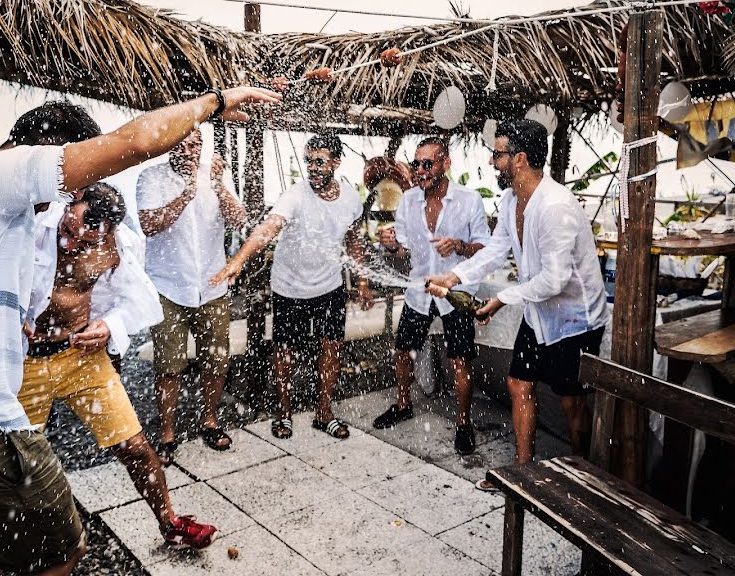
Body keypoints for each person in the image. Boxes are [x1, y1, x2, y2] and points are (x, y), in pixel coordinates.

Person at [0, 86, 280, 575]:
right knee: (62, 549)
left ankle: (166, 518)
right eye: (69, 192)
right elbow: (139, 140)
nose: (62, 208)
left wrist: (100, 326)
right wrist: (214, 102)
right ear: (48, 155)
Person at [22, 182, 216, 549]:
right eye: (70, 230)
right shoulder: (30, 226)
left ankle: (170, 523)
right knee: (15, 462)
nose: (75, 242)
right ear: (72, 201)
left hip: (81, 358)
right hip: (26, 363)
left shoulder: (116, 245)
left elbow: (140, 300)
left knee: (135, 446)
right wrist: (8, 315)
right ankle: (3, 551)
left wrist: (108, 324)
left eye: (88, 239)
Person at [426, 120, 608, 490]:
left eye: (497, 154)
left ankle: (587, 477)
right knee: (518, 383)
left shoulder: (556, 206)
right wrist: (454, 278)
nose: (492, 162)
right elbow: (495, 251)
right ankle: (522, 472)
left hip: (574, 319)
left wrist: (502, 299)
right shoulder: (511, 201)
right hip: (539, 311)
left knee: (571, 401)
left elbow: (556, 280)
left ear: (520, 159)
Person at [210, 133, 374, 440]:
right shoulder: (296, 195)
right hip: (289, 287)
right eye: (308, 161)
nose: (312, 168)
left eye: (319, 162)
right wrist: (239, 260)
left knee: (332, 349)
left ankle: (323, 413)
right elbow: (268, 228)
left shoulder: (350, 197)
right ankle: (283, 413)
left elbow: (353, 238)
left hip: (329, 286)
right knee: (284, 352)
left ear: (336, 163)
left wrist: (362, 282)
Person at [372, 137, 490, 455]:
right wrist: (392, 246)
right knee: (402, 350)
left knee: (460, 360)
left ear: (445, 163)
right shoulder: (409, 201)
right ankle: (403, 403)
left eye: (428, 163)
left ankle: (463, 423)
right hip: (421, 291)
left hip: (455, 291)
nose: (421, 170)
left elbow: (486, 248)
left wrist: (460, 247)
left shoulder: (469, 200)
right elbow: (404, 253)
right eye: (417, 164)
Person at [136, 130, 246, 465]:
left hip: (211, 285)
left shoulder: (213, 176)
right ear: (169, 144)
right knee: (169, 365)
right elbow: (150, 224)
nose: (189, 150)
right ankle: (167, 433)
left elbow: (238, 219)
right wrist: (188, 193)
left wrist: (215, 185)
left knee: (216, 359)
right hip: (169, 287)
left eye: (195, 144)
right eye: (181, 143)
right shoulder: (151, 177)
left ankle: (209, 420)